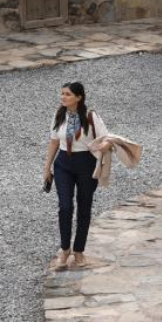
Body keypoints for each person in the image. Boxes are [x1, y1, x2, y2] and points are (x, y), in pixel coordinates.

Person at [42, 82, 107, 270]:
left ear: (79, 97)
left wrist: (103, 147)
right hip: (63, 164)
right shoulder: (59, 115)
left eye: (68, 94)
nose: (63, 97)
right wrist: (47, 168)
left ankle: (79, 251)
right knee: (65, 206)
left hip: (86, 164)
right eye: (62, 93)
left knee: (84, 207)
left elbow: (105, 139)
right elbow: (54, 142)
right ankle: (65, 249)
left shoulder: (91, 116)